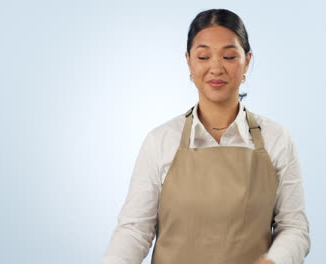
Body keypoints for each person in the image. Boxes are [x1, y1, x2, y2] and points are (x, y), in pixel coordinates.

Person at [100, 8, 311, 264]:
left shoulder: (276, 139)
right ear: (189, 61)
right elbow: (135, 230)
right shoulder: (161, 141)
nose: (216, 67)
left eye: (229, 56)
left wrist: (273, 261)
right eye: (203, 56)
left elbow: (294, 228)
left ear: (247, 60)